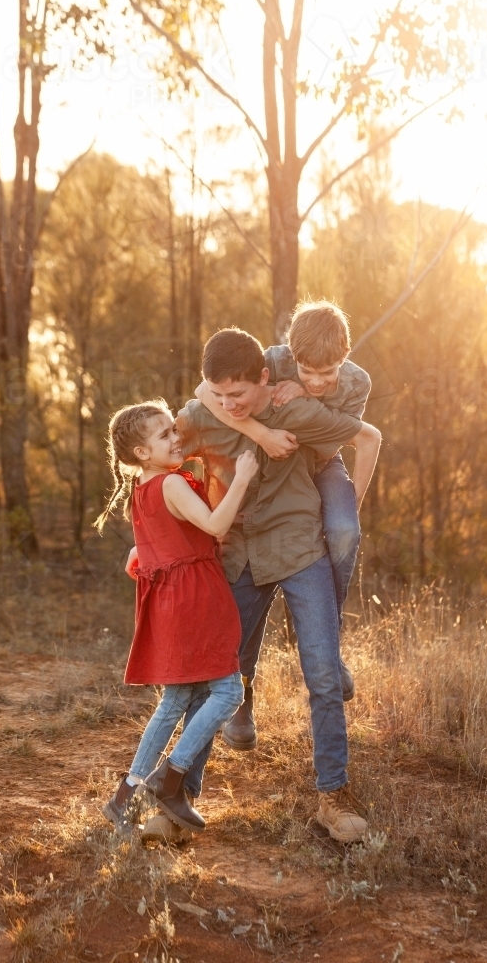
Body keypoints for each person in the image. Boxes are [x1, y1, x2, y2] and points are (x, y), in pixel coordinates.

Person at [167, 328, 381, 845]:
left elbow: (365, 436)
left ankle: (333, 795)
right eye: (218, 395)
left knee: (324, 674)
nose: (228, 405)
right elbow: (159, 463)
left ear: (266, 377)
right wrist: (152, 539)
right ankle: (180, 799)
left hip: (300, 549)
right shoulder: (205, 416)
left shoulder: (298, 412)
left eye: (237, 395)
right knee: (218, 673)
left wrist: (350, 507)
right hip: (239, 556)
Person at [196, 301, 375, 711]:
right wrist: (261, 433)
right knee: (252, 564)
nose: (314, 380)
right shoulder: (274, 360)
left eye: (325, 374)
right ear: (291, 355)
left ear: (344, 358)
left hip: (321, 462)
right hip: (273, 464)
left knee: (345, 529)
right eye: (305, 371)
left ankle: (323, 633)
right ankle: (241, 694)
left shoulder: (357, 383)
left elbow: (335, 440)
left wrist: (350, 503)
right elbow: (206, 391)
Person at [95, 399, 258, 838]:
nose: (175, 438)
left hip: (169, 600)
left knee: (175, 701)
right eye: (164, 434)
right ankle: (172, 778)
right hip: (196, 597)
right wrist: (241, 477)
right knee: (226, 692)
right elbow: (214, 525)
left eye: (174, 430)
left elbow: (158, 542)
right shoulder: (169, 484)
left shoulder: (143, 488)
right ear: (142, 453)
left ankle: (125, 795)